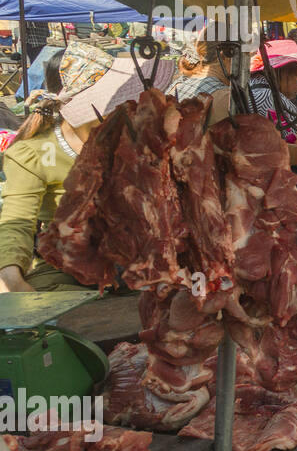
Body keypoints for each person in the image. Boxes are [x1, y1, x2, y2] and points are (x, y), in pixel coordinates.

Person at [0, 53, 174, 292]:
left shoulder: (128, 138)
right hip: (69, 265)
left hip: (139, 256)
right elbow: (17, 221)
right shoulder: (34, 154)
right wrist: (11, 274)